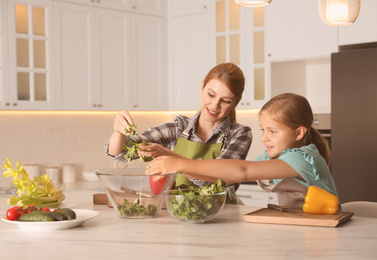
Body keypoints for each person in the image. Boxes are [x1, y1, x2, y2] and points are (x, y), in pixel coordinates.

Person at [145, 93, 339, 209]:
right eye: (264, 130)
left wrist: (181, 164)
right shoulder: (278, 156)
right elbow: (225, 176)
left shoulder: (302, 159)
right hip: (302, 227)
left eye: (273, 131)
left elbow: (242, 171)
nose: (265, 137)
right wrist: (173, 159)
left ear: (299, 133)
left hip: (323, 230)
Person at [105, 62, 252, 193]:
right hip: (180, 214)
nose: (215, 105)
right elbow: (121, 152)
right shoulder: (178, 129)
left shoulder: (240, 134)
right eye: (211, 95)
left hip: (224, 216)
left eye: (225, 101)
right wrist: (119, 132)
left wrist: (169, 156)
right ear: (202, 87)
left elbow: (219, 178)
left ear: (235, 103)